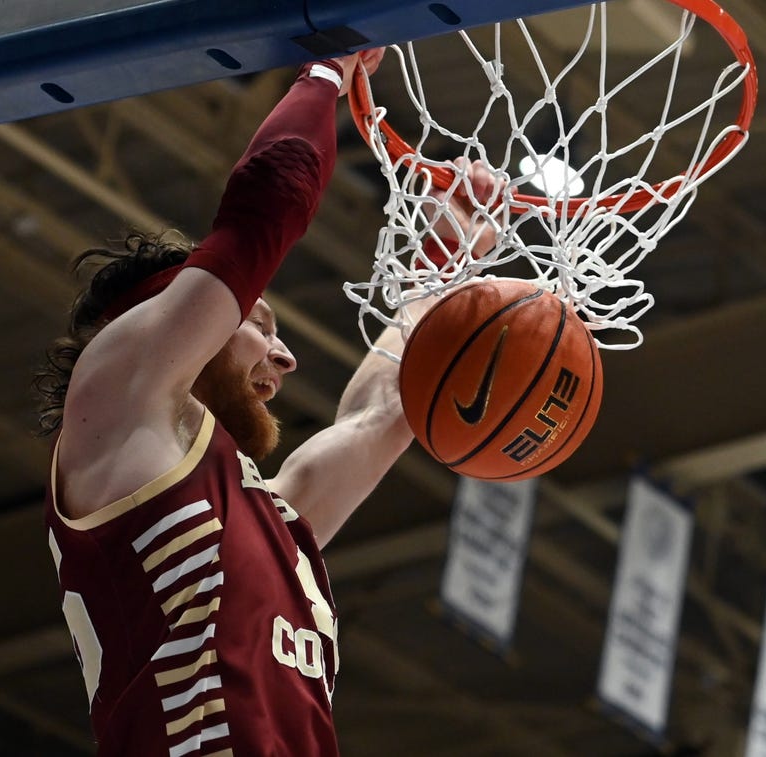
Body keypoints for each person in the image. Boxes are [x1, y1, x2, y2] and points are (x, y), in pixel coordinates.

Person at [34, 47, 500, 756]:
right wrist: (327, 71)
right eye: (259, 322)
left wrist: (441, 266)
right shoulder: (117, 393)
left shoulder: (265, 519)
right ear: (183, 312)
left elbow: (384, 414)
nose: (285, 358)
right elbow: (260, 212)